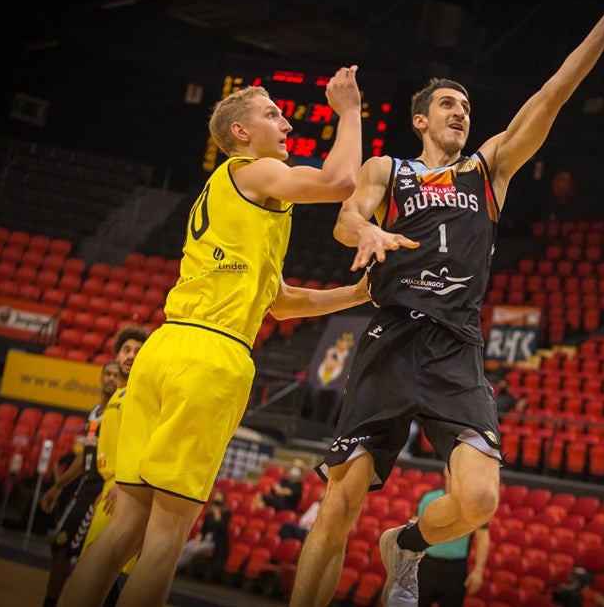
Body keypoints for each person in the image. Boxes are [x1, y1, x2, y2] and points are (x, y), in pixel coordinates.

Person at [290, 0, 604, 607]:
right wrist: (365, 231)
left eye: (466, 106)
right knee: (339, 503)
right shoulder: (389, 166)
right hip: (392, 337)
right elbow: (348, 216)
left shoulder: (487, 170)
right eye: (448, 106)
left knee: (480, 498)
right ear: (420, 121)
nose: (461, 113)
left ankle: (405, 544)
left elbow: (552, 95)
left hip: (457, 346)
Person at [60, 64, 373, 607]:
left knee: (124, 532)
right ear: (241, 134)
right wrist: (349, 112)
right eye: (272, 113)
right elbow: (339, 181)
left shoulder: (239, 196)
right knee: (166, 538)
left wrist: (355, 296)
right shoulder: (252, 171)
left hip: (166, 346)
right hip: (209, 354)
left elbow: (277, 302)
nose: (285, 122)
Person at [39, 359, 122, 607]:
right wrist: (59, 485)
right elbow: (85, 455)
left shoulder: (120, 410)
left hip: (102, 490)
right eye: (107, 373)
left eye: (115, 375)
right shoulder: (96, 411)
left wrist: (115, 484)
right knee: (62, 550)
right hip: (84, 487)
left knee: (89, 560)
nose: (110, 378)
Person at [77, 326, 150, 602]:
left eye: (138, 352)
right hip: (109, 486)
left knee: (106, 570)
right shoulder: (118, 395)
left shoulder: (142, 394)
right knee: (93, 566)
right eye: (127, 350)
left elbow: (144, 444)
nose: (131, 356)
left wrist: (123, 483)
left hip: (126, 488)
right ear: (117, 355)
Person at [415, 466, 489, 607]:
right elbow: (414, 529)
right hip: (426, 565)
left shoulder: (476, 503)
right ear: (445, 471)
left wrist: (478, 571)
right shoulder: (429, 497)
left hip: (455, 571)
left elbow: (483, 538)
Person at [175, 489, 231, 577]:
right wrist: (199, 536)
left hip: (215, 542)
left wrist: (217, 516)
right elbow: (203, 529)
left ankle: (175, 569)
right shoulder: (209, 513)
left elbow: (222, 529)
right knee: (186, 547)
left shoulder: (226, 513)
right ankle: (171, 566)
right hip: (204, 538)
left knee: (192, 550)